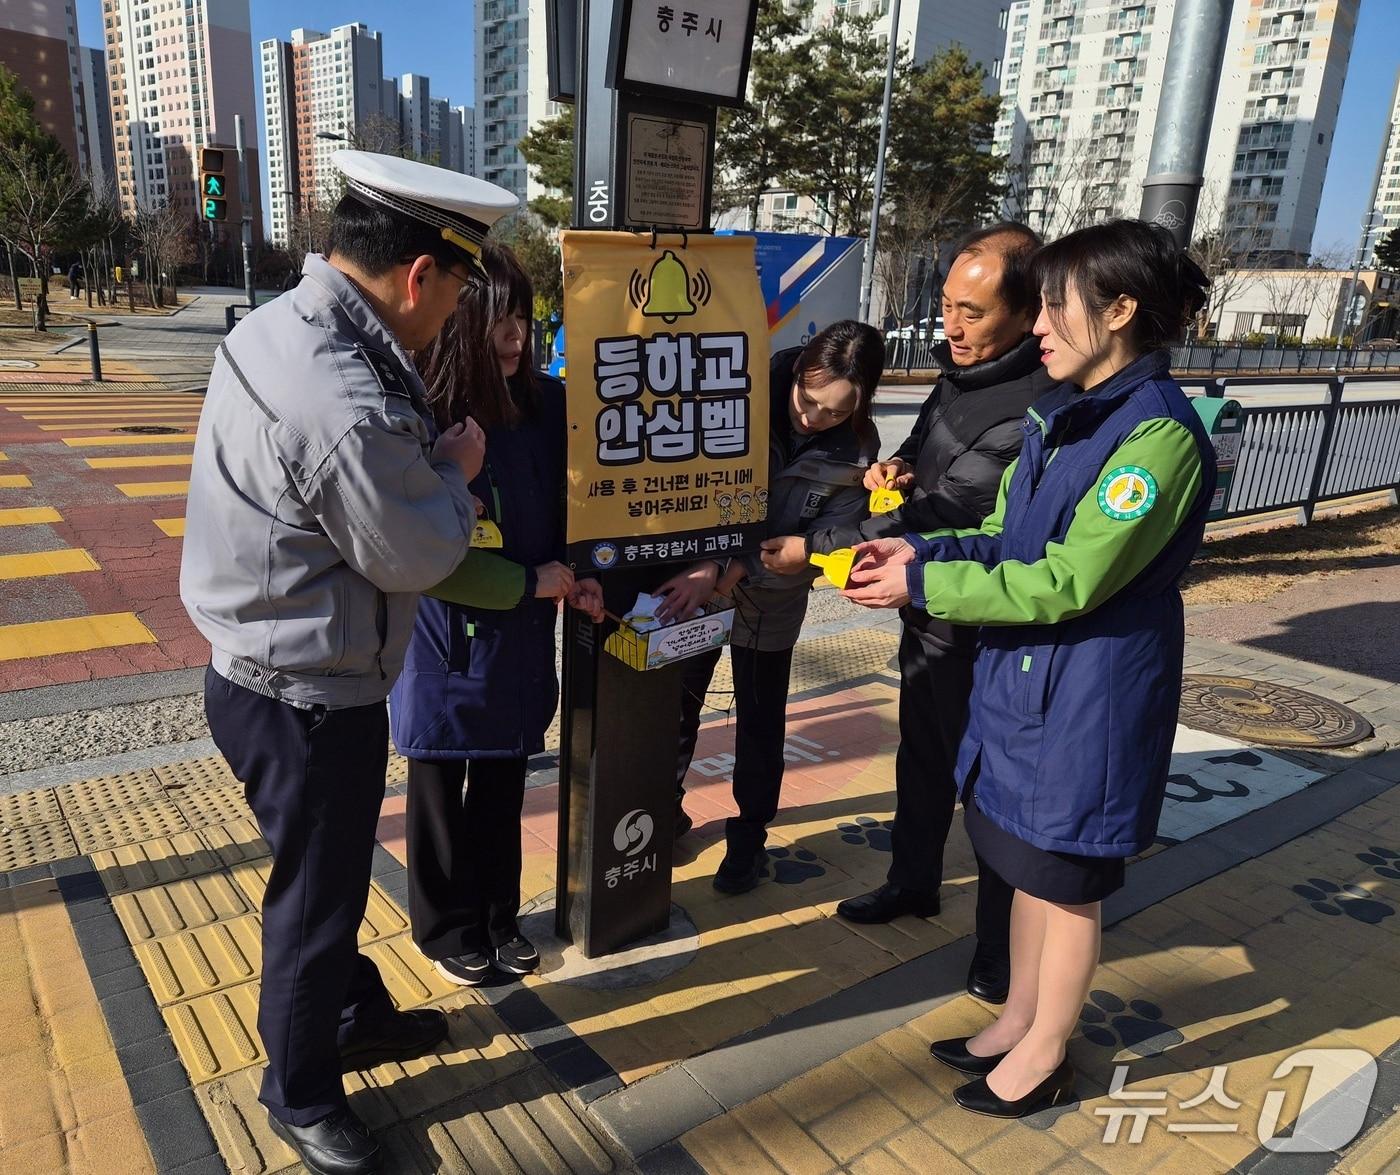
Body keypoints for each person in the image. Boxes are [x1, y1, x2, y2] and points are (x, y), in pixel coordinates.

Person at [180, 150, 517, 1175]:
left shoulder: (290, 324)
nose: (454, 313)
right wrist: (457, 471)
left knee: (322, 883)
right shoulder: (338, 391)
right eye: (458, 292)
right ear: (421, 275)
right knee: (314, 899)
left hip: (268, 668)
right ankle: (299, 1090)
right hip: (304, 695)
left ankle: (354, 1013)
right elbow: (412, 548)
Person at [843, 219, 1214, 1119]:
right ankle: (1016, 1014)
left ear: (1121, 309)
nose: (1037, 324)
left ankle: (1048, 1048)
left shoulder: (1156, 438)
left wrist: (926, 581)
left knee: (1065, 878)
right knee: (1015, 854)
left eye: (1055, 305)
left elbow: (1071, 578)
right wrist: (915, 550)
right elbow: (1009, 540)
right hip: (1023, 684)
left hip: (1091, 691)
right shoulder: (1060, 410)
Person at [761, 224, 1049, 1006]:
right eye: (948, 305)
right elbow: (924, 461)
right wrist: (897, 466)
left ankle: (999, 949)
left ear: (1027, 312)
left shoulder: (1035, 402)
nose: (952, 326)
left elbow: (946, 511)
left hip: (992, 621)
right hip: (930, 609)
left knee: (989, 790)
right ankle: (913, 881)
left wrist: (813, 547)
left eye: (974, 312)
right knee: (921, 757)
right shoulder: (965, 372)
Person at [390, 244, 602, 989]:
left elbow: (575, 508)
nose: (514, 334)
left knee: (505, 785)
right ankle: (448, 926)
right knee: (443, 792)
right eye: (494, 318)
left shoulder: (548, 407)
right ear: (460, 322)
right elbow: (428, 552)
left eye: (522, 316)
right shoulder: (428, 414)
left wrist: (574, 578)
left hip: (520, 637)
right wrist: (529, 581)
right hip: (450, 642)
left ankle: (499, 916)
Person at [662, 320, 883, 894]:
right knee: (678, 710)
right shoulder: (735, 398)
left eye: (835, 413)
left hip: (774, 602)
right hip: (703, 590)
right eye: (807, 401)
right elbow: (688, 490)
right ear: (796, 372)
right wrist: (714, 562)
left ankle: (749, 836)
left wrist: (781, 559)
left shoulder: (859, 449)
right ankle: (664, 815)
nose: (813, 419)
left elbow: (840, 534)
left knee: (760, 723)